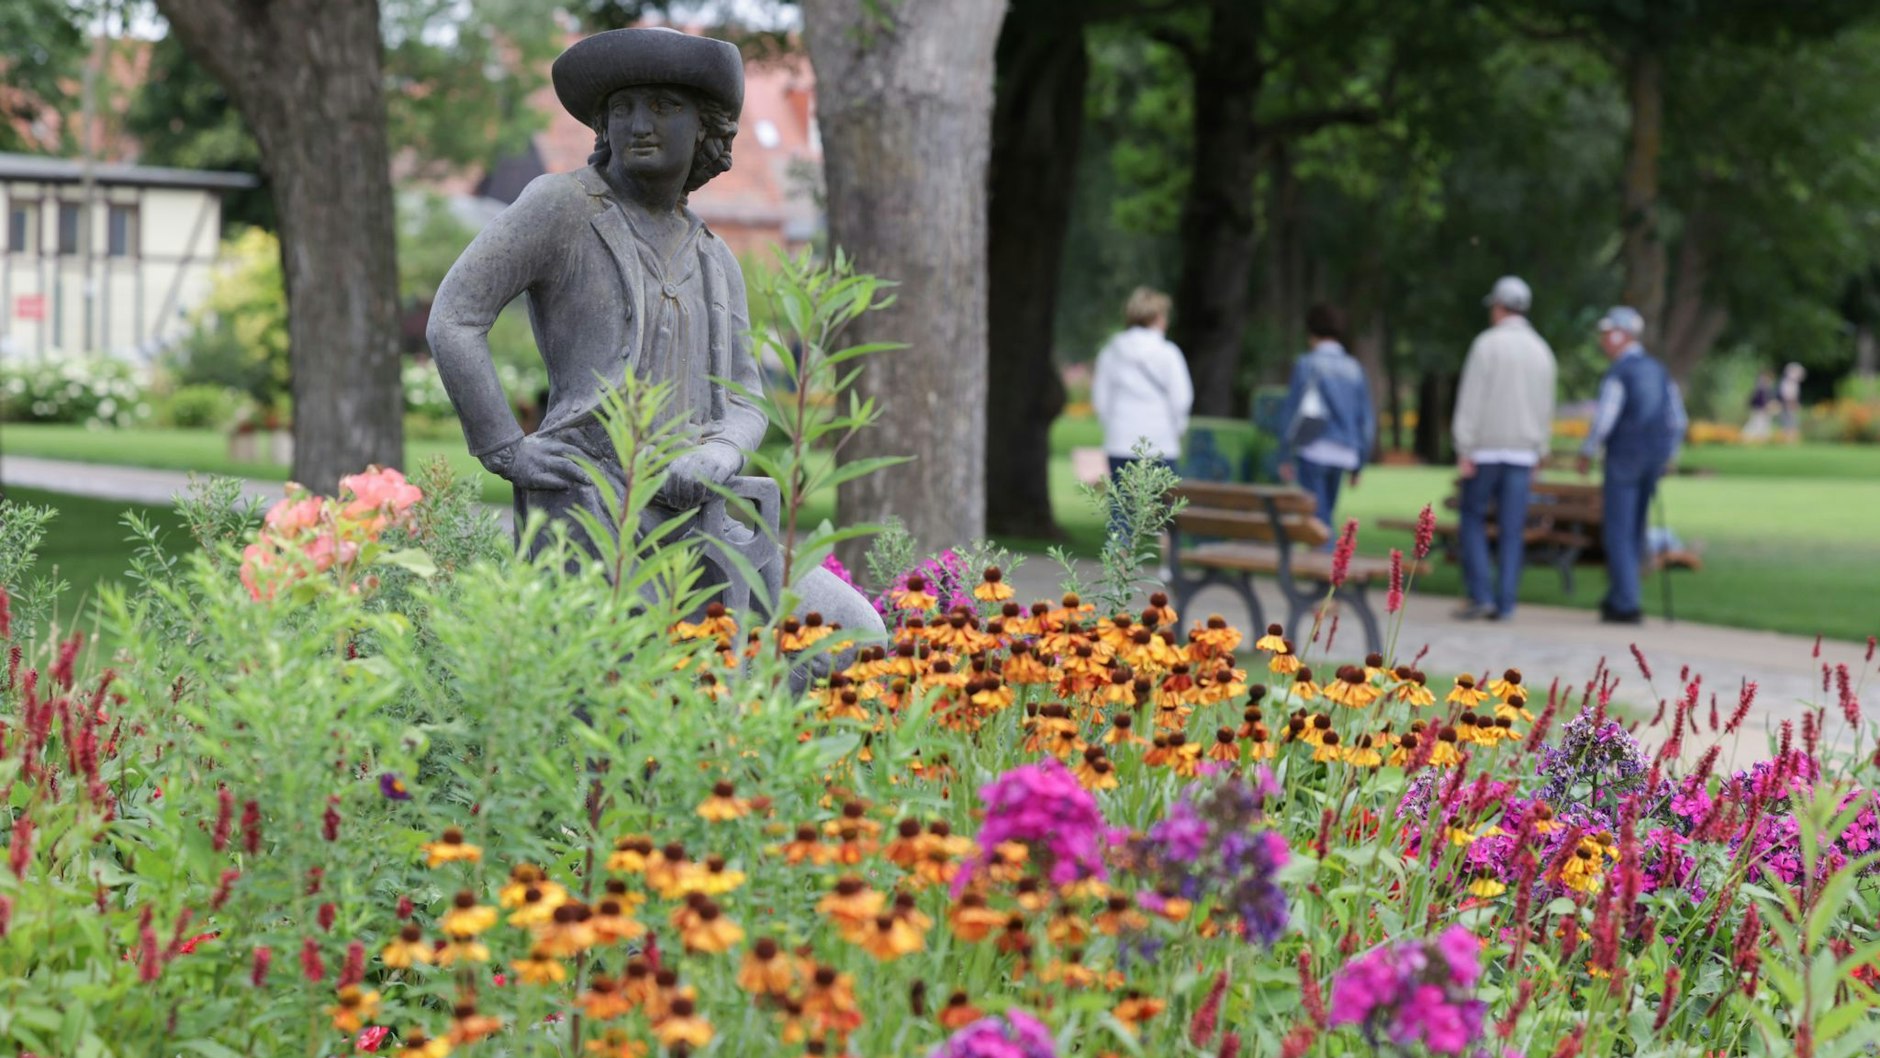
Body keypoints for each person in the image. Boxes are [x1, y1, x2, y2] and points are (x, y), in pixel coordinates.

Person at [427, 27, 881, 636]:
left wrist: (719, 452)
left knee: (856, 633)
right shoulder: (561, 206)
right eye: (621, 109)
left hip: (703, 517)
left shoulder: (713, 258)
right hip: (591, 509)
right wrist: (506, 448)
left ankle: (751, 735)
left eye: (663, 107)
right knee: (629, 675)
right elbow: (454, 318)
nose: (638, 124)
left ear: (704, 127)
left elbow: (745, 396)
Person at [1449, 276, 1556, 620]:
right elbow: (1546, 406)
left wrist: (1463, 446)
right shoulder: (1542, 350)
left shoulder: (1486, 345)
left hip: (1485, 450)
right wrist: (1541, 448)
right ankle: (1506, 600)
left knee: (1472, 518)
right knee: (1512, 529)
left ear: (1498, 306)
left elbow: (1470, 399)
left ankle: (1481, 594)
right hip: (1523, 452)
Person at [1575, 306, 1688, 625]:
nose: (1602, 341)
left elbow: (1604, 420)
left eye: (1606, 333)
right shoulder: (1658, 370)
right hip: (1653, 459)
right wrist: (1669, 456)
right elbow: (1678, 420)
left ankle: (1626, 602)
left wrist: (1586, 452)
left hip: (1624, 458)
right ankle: (1619, 595)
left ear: (1620, 335)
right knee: (1636, 526)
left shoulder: (1620, 372)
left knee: (1619, 529)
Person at [1091, 287, 1194, 538]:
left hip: (1120, 440)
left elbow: (1100, 399)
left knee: (1122, 514)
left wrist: (1113, 426)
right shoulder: (1168, 353)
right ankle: (1167, 568)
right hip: (1160, 442)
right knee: (1165, 513)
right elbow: (1182, 398)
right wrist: (1176, 428)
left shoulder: (1111, 352)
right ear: (1158, 317)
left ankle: (1119, 569)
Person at [1276, 303, 1374, 536]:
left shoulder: (1307, 364)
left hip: (1314, 447)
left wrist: (1284, 454)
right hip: (1344, 452)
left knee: (1317, 520)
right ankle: (1327, 568)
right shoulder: (1354, 368)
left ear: (1312, 332)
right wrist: (1360, 462)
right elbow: (1366, 420)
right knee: (1326, 513)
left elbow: (1292, 412)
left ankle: (1326, 570)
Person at [1743, 370, 1775, 442]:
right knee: (1755, 425)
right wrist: (1767, 407)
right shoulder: (1761, 388)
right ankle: (1747, 438)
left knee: (1763, 426)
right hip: (1759, 410)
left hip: (1763, 410)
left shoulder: (1766, 388)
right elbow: (1760, 401)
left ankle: (1761, 440)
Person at [1778, 362, 1806, 443]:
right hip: (1788, 406)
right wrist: (1791, 404)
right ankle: (1787, 440)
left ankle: (1791, 440)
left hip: (1791, 406)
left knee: (1792, 423)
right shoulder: (1787, 382)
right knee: (1788, 424)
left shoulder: (1793, 383)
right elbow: (1787, 396)